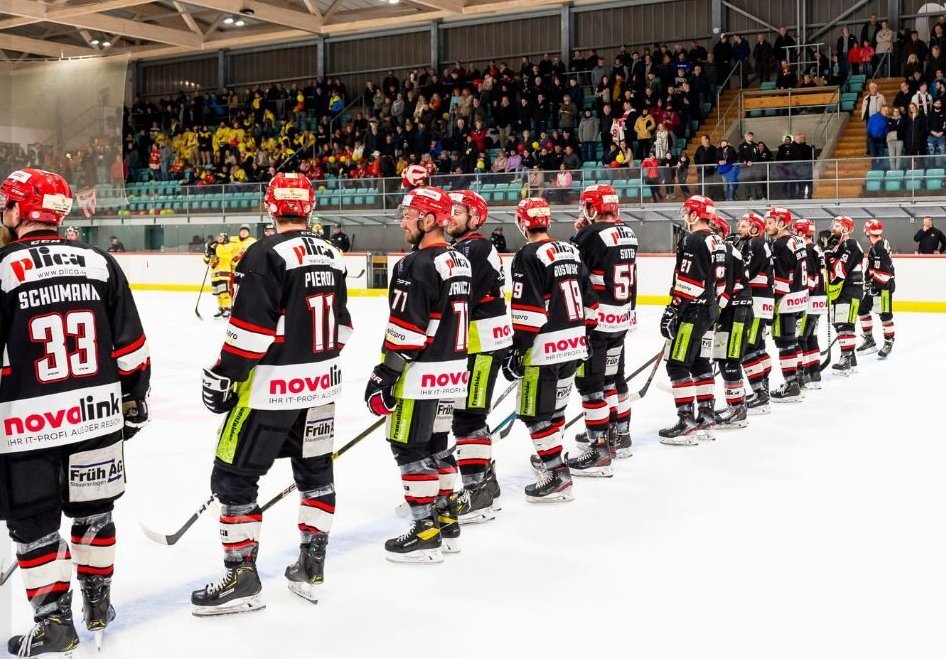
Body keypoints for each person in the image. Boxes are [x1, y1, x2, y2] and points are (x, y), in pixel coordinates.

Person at [0, 168, 151, 654]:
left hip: (25, 429)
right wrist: (132, 399)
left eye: (6, 205)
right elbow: (132, 351)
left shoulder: (2, 267)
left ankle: (52, 623)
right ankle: (97, 605)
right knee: (94, 514)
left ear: (21, 211)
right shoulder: (100, 262)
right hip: (97, 419)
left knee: (35, 524)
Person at [193, 173, 353, 613]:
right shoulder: (334, 254)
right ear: (309, 206)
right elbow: (342, 328)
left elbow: (248, 335)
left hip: (268, 392)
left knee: (233, 478)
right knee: (316, 474)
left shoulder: (263, 254)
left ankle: (242, 577)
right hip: (321, 387)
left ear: (270, 206)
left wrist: (226, 376)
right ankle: (311, 566)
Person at [363, 186, 471, 562]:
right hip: (453, 369)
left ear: (428, 220)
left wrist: (385, 374)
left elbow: (408, 330)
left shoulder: (415, 264)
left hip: (421, 373)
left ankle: (425, 530)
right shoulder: (459, 260)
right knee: (437, 445)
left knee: (409, 447)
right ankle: (447, 520)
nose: (403, 222)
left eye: (410, 216)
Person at [503, 197, 597, 500]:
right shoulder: (571, 249)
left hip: (544, 347)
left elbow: (526, 312)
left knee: (535, 414)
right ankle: (551, 457)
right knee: (555, 410)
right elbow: (591, 303)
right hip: (574, 343)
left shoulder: (527, 255)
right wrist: (585, 336)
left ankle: (556, 473)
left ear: (522, 223)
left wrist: (517, 350)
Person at [446, 190, 510, 523]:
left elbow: (462, 301)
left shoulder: (477, 248)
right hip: (475, 344)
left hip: (482, 345)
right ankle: (487, 484)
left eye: (459, 211)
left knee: (469, 417)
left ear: (476, 218)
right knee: (469, 415)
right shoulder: (463, 248)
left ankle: (477, 493)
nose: (450, 215)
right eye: (451, 210)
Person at [568, 184, 638, 473]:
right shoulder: (628, 233)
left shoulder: (589, 235)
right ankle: (620, 434)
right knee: (615, 377)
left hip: (596, 321)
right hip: (620, 317)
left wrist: (579, 234)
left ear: (593, 208)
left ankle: (599, 446)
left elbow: (573, 268)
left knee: (591, 384)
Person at [658, 195, 722, 445]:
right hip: (710, 308)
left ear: (695, 215)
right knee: (698, 362)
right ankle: (706, 416)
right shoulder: (717, 239)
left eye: (687, 212)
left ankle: (687, 422)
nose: (685, 216)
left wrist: (673, 310)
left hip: (693, 310)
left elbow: (689, 281)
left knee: (676, 364)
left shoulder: (694, 239)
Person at [764, 207, 808, 402]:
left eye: (771, 222)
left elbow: (780, 281)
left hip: (786, 301)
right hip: (800, 298)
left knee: (784, 344)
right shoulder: (797, 240)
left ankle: (791, 384)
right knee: (793, 341)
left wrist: (771, 305)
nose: (767, 225)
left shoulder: (780, 245)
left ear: (782, 223)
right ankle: (798, 379)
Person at [735, 212, 775, 413]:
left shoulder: (754, 244)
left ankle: (760, 394)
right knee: (758, 348)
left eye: (744, 226)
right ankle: (763, 387)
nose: (739, 229)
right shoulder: (760, 244)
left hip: (756, 303)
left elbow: (745, 274)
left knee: (748, 349)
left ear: (754, 228)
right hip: (763, 301)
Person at [823, 215, 865, 375]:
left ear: (846, 229)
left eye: (837, 226)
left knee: (845, 324)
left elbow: (840, 270)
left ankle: (846, 358)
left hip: (851, 289)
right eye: (833, 225)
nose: (833, 228)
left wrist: (829, 256)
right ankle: (851, 357)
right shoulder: (839, 246)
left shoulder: (851, 244)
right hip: (841, 290)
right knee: (839, 323)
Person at [792, 219, 828, 390]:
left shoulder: (806, 249)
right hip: (820, 299)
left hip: (811, 300)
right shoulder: (817, 248)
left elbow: (810, 279)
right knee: (811, 336)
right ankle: (815, 374)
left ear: (800, 232)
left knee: (802, 338)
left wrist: (803, 298)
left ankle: (805, 374)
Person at [857, 219, 896, 358]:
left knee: (885, 314)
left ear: (868, 231)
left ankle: (888, 341)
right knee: (862, 309)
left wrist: (874, 285)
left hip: (883, 287)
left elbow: (885, 274)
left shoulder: (879, 247)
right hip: (876, 285)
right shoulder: (878, 245)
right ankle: (869, 340)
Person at [204, 232, 236, 318]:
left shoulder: (227, 246)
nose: (219, 239)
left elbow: (225, 255)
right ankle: (221, 308)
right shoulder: (216, 249)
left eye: (222, 238)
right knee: (218, 294)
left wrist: (214, 246)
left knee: (224, 293)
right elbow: (208, 262)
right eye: (218, 238)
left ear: (226, 239)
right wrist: (208, 254)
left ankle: (228, 308)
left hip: (224, 273)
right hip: (215, 275)